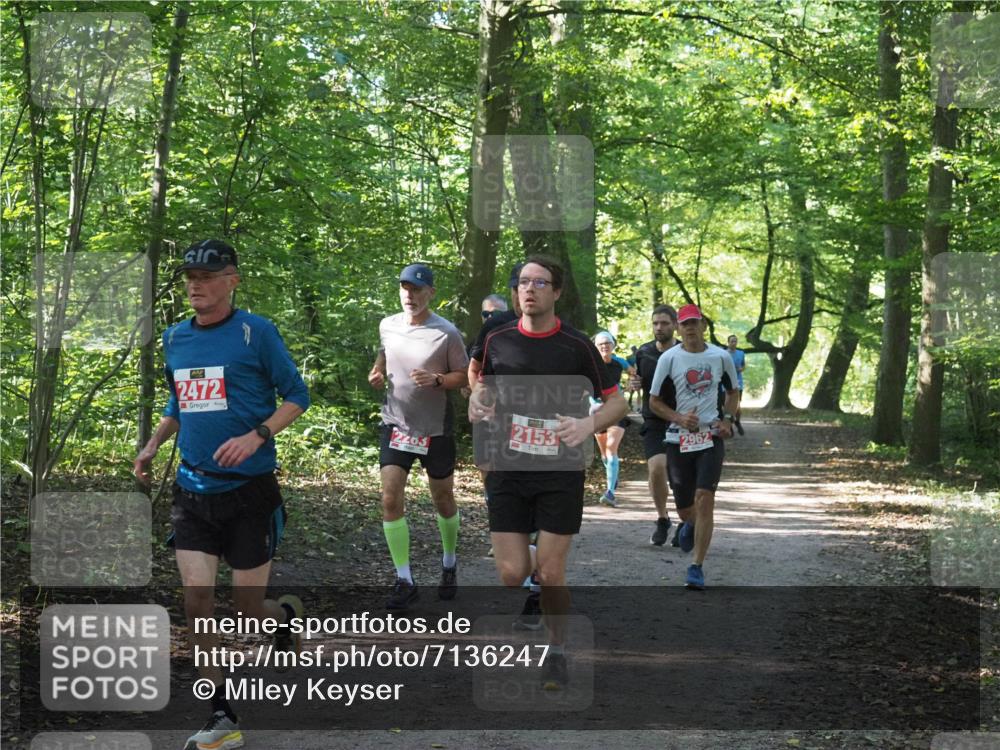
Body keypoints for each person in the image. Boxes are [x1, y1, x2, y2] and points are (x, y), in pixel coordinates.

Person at [133, 239, 310, 750]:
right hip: (193, 490)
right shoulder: (175, 338)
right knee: (198, 600)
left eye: (208, 276)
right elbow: (179, 399)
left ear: (232, 279)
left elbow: (298, 395)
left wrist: (258, 433)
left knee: (248, 608)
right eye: (190, 275)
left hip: (250, 494)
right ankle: (220, 714)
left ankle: (284, 619)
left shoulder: (257, 332)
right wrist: (152, 444)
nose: (195, 283)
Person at [469, 255, 627, 689]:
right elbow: (479, 377)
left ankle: (556, 648)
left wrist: (586, 424)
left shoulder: (577, 346)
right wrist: (475, 400)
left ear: (556, 292)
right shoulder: (496, 336)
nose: (529, 289)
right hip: (508, 468)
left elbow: (617, 403)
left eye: (540, 283)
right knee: (511, 574)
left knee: (552, 572)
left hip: (560, 469)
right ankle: (537, 572)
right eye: (523, 282)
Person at [369, 264, 469, 610]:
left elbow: (463, 376)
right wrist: (379, 369)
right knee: (389, 498)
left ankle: (449, 561)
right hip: (396, 425)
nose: (409, 295)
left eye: (417, 289)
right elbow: (385, 351)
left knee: (442, 498)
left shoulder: (447, 333)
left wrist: (439, 380)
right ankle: (404, 579)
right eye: (404, 288)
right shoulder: (387, 325)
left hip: (436, 429)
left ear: (431, 293)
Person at [649, 303, 738, 590]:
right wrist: (677, 417)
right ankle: (687, 525)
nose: (689, 328)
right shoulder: (669, 359)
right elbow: (653, 402)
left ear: (703, 326)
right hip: (678, 439)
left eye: (694, 323)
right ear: (678, 328)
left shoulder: (721, 357)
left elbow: (733, 393)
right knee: (687, 509)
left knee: (705, 498)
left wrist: (726, 420)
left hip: (710, 437)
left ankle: (696, 566)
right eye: (684, 324)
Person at [631, 305, 679, 546]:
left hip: (683, 420)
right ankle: (663, 518)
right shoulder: (644, 352)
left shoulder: (685, 351)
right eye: (655, 323)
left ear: (675, 325)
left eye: (664, 323)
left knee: (682, 476)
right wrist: (634, 383)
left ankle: (686, 521)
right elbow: (640, 380)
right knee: (657, 469)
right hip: (654, 419)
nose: (659, 328)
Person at [591, 330, 635, 507]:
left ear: (613, 345)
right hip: (598, 412)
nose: (604, 347)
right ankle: (613, 477)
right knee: (604, 455)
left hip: (616, 411)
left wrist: (629, 385)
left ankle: (610, 492)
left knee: (611, 449)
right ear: (596, 347)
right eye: (601, 344)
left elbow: (633, 373)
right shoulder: (591, 365)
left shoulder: (619, 362)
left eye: (607, 343)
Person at [726, 334, 746, 435]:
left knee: (737, 406)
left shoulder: (741, 353)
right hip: (724, 384)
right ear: (728, 342)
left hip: (738, 382)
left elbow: (743, 365)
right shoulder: (724, 354)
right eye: (732, 341)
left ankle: (737, 422)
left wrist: (741, 369)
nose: (734, 343)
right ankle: (729, 425)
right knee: (725, 406)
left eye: (735, 341)